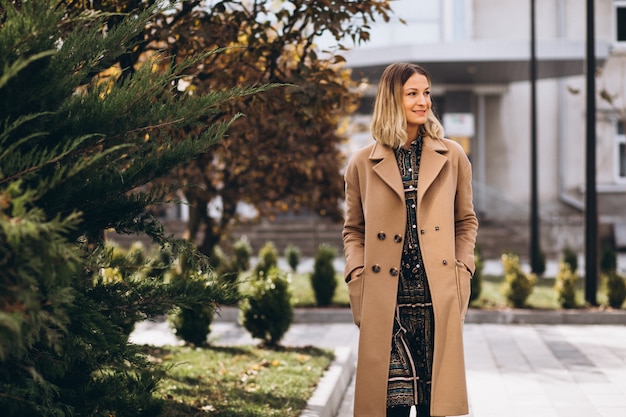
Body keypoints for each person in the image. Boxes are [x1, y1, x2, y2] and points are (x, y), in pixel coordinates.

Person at [342, 62, 478, 417]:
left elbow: (466, 221)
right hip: (388, 302)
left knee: (436, 406)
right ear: (392, 99)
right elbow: (353, 230)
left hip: (437, 298)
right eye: (413, 93)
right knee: (393, 408)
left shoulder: (452, 156)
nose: (424, 102)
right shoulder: (361, 163)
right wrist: (357, 275)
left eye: (427, 92)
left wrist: (463, 267)